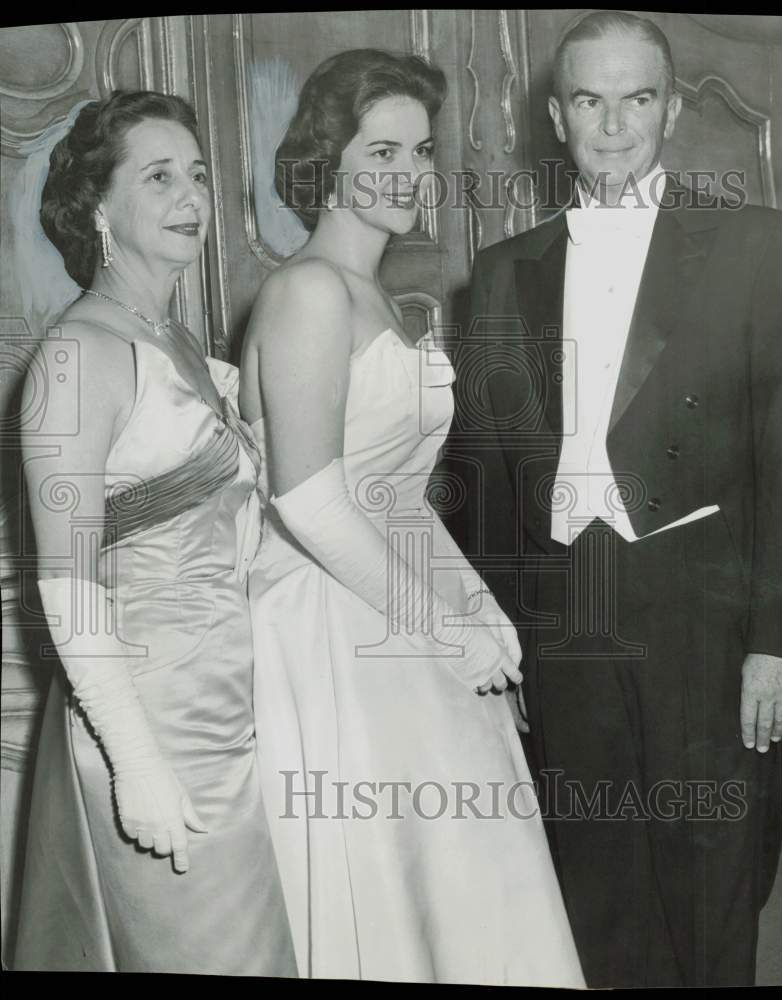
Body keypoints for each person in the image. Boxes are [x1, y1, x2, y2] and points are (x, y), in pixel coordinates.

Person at [451, 10, 782, 988]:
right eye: (589, 100)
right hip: (565, 623)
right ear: (557, 118)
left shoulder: (755, 245)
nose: (613, 125)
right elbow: (481, 476)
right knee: (593, 897)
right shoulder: (500, 274)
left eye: (637, 98)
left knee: (713, 892)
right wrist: (504, 633)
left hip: (704, 609)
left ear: (673, 109)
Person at [239, 49, 584, 987]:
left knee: (465, 881)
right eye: (379, 150)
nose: (409, 173)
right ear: (325, 162)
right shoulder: (307, 291)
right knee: (393, 891)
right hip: (337, 625)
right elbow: (309, 499)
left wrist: (479, 617)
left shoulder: (378, 298)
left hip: (402, 599)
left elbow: (398, 500)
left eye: (421, 150)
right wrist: (444, 627)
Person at [14, 90, 296, 975]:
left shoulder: (179, 342)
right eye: (160, 176)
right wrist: (136, 761)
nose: (191, 197)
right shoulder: (74, 357)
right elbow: (66, 586)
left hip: (235, 712)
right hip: (152, 721)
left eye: (200, 175)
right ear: (98, 208)